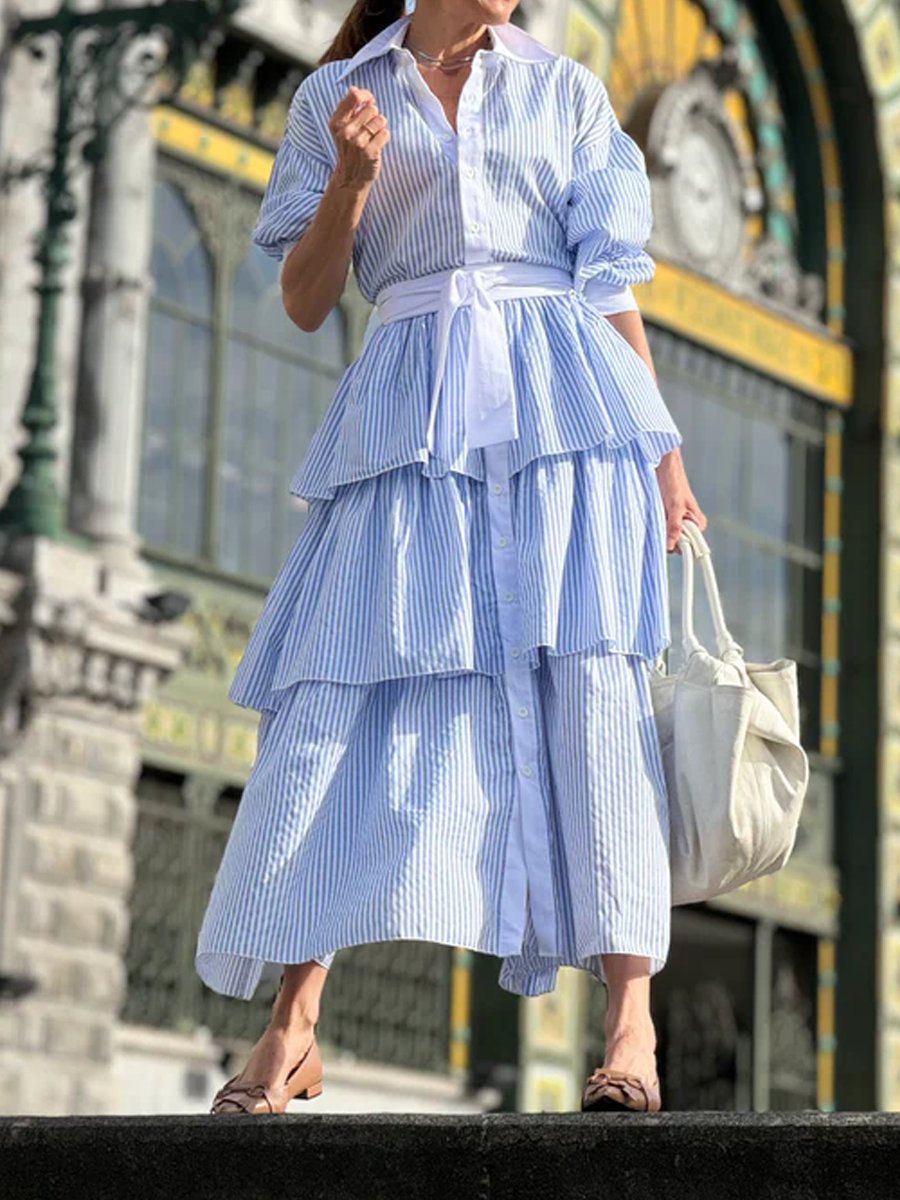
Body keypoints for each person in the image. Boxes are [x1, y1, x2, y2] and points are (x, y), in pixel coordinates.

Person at [198, 0, 708, 1116]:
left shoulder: (563, 91)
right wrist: (349, 182)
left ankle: (632, 1028)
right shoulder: (337, 98)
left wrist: (663, 455)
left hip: (570, 422)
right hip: (407, 422)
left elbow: (609, 287)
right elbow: (304, 298)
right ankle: (292, 1025)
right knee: (344, 693)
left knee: (592, 692)